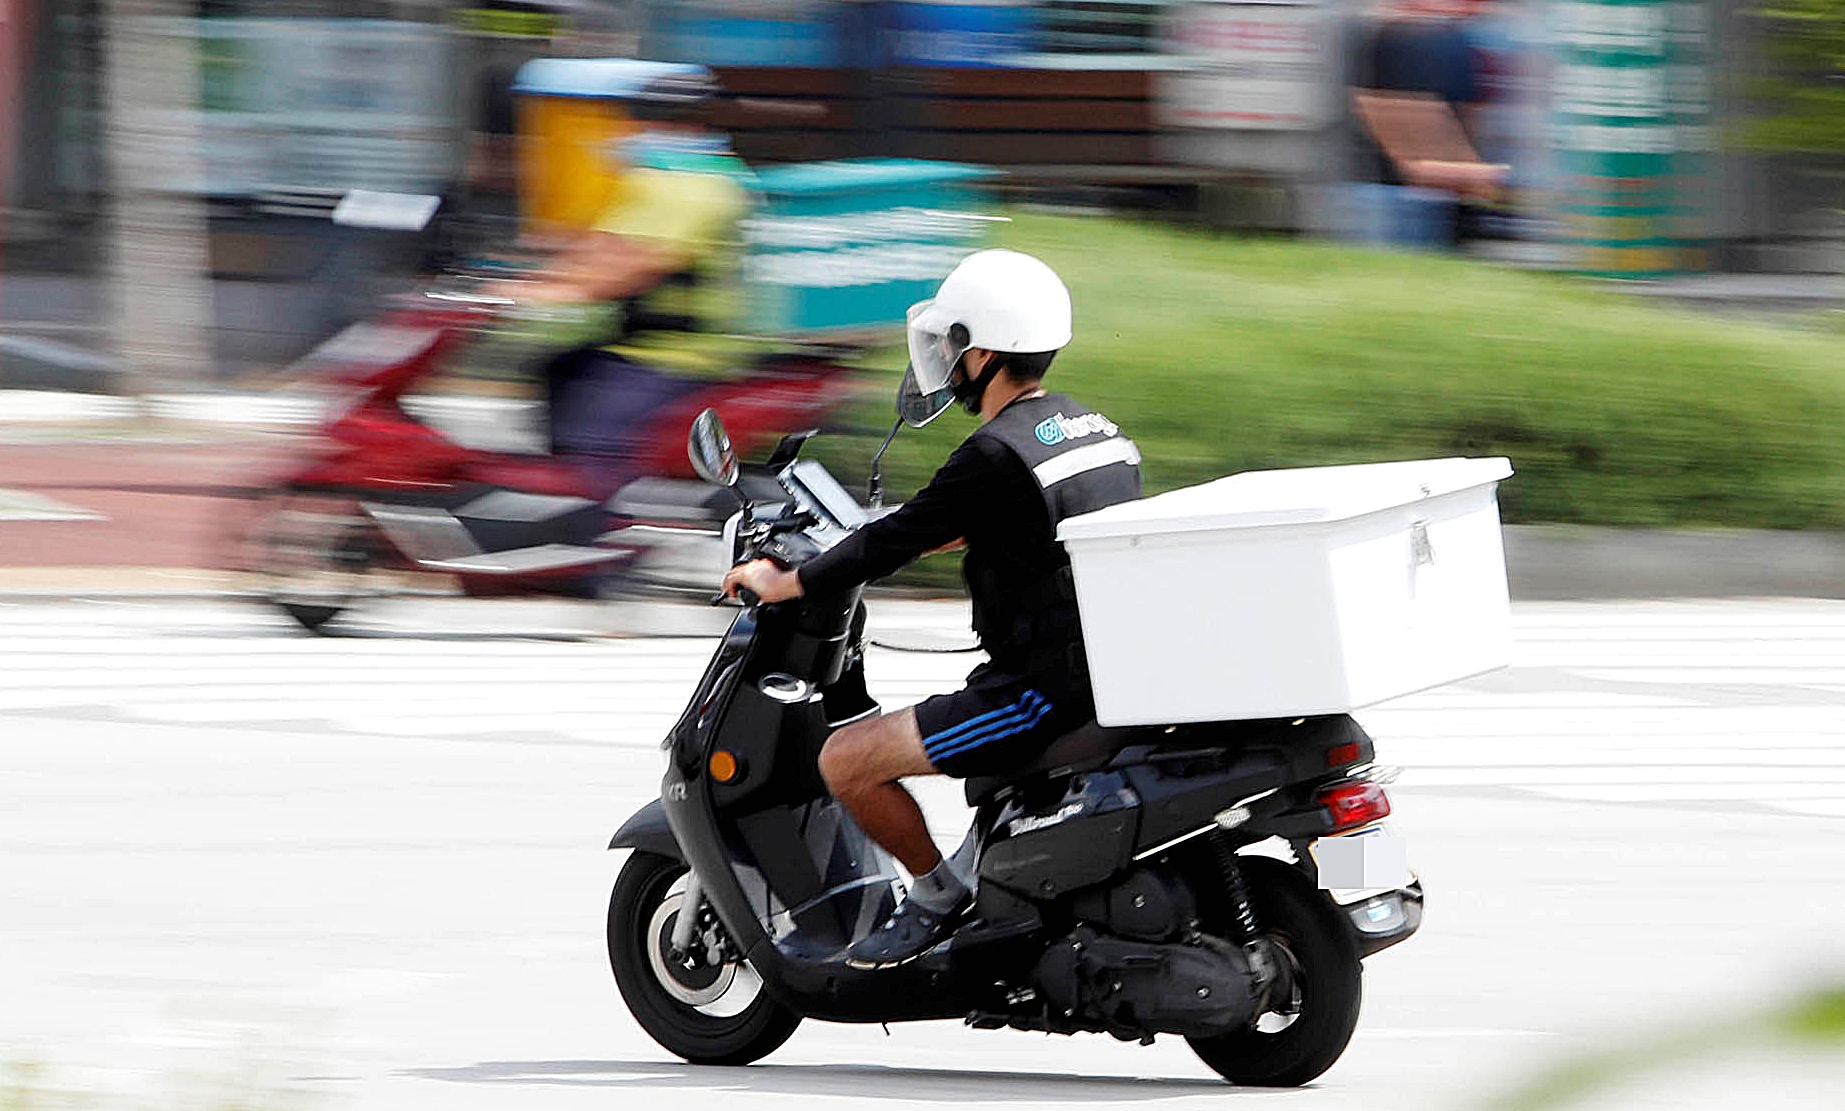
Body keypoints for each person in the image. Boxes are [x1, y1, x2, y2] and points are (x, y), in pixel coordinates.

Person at [720, 250, 1142, 968]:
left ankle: (935, 894)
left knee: (844, 759)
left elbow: (889, 539)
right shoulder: (1092, 428)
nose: (945, 360)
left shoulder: (992, 454)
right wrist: (966, 531)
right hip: (1104, 668)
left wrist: (789, 583)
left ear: (982, 353)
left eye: (952, 344)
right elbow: (1045, 525)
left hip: (1041, 691)